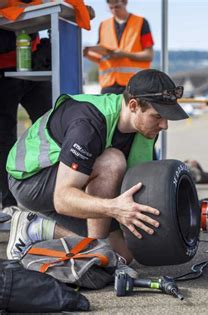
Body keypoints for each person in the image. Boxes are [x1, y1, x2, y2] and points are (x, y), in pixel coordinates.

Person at [6, 69, 187, 263]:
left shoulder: (146, 128)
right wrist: (114, 208)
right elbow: (62, 198)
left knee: (124, 254)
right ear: (133, 105)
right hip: (30, 180)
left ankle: (39, 228)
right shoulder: (88, 124)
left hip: (72, 179)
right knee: (112, 161)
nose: (164, 125)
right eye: (158, 116)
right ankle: (92, 251)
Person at [0, 0, 51, 214]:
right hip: (3, 70)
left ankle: (53, 195)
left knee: (52, 127)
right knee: (4, 138)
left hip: (35, 63)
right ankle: (9, 205)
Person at [83, 0, 154, 94]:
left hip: (134, 85)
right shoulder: (103, 25)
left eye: (117, 7)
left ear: (125, 2)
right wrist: (87, 54)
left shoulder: (141, 22)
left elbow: (149, 55)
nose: (114, 10)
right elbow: (102, 60)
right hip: (108, 86)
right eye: (111, 8)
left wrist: (125, 54)